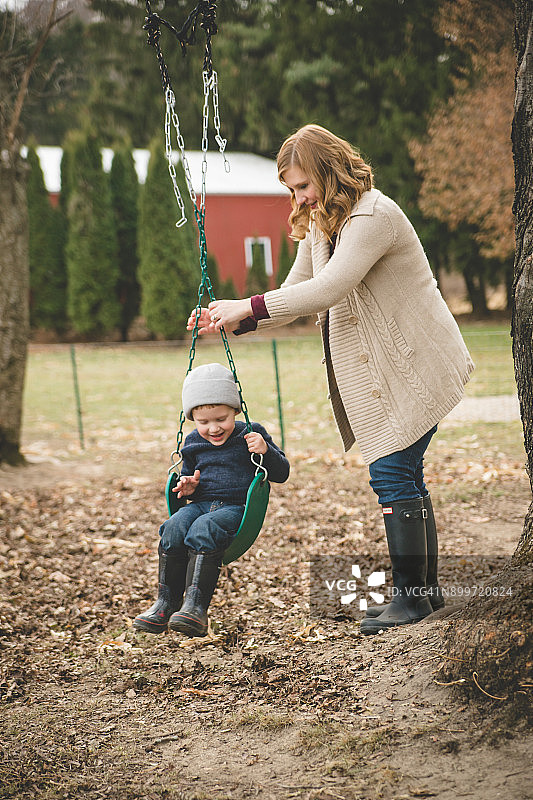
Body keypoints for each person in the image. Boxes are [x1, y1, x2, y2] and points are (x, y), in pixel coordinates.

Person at [187, 124, 474, 636]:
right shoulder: (324, 224)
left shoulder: (373, 215)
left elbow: (330, 288)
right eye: (291, 190)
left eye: (302, 186)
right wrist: (232, 317)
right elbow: (296, 292)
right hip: (387, 372)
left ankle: (411, 599)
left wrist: (246, 306)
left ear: (328, 170)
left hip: (414, 364)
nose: (297, 198)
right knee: (405, 475)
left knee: (392, 474)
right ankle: (424, 595)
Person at [134, 363, 290, 638]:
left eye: (221, 419)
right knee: (173, 527)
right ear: (192, 418)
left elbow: (281, 473)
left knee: (204, 528)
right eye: (203, 422)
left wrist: (265, 451)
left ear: (235, 411)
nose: (214, 428)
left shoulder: (251, 434)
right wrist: (189, 486)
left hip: (236, 509)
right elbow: (186, 483)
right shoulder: (193, 441)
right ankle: (166, 603)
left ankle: (195, 608)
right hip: (200, 505)